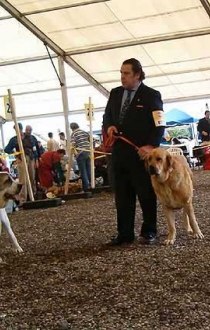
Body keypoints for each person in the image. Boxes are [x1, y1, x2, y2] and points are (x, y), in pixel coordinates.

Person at [102, 58, 165, 246]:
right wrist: (110, 126)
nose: (122, 77)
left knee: (146, 193)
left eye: (126, 73)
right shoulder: (114, 93)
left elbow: (159, 124)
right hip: (119, 154)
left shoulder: (151, 95)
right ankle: (124, 233)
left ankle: (149, 231)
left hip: (141, 155)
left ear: (137, 74)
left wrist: (151, 145)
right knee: (122, 196)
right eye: (121, 73)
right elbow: (107, 116)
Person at [4, 123, 40, 203]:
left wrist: (36, 159)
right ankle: (23, 199)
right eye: (16, 130)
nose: (18, 131)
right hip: (21, 160)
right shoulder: (14, 139)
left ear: (21, 129)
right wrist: (16, 155)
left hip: (31, 159)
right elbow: (7, 149)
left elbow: (35, 149)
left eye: (19, 129)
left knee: (32, 178)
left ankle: (33, 196)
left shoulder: (31, 137)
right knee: (23, 180)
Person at [70, 122, 92, 191]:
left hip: (80, 153)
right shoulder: (84, 132)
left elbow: (73, 145)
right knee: (88, 169)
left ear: (72, 128)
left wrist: (74, 154)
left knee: (83, 171)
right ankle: (91, 184)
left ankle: (86, 187)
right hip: (88, 152)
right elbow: (91, 140)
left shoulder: (74, 134)